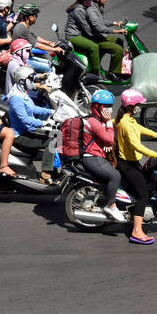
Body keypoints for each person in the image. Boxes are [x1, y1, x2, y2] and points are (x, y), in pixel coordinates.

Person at [59, 89, 125, 221]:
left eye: (110, 106)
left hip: (96, 156)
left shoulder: (96, 120)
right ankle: (111, 206)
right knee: (115, 176)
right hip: (92, 159)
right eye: (106, 106)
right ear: (97, 107)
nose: (109, 109)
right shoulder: (95, 122)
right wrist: (109, 124)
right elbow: (109, 139)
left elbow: (103, 139)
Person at [115, 89, 157, 245]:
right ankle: (136, 231)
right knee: (142, 194)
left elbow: (139, 128)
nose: (139, 107)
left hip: (132, 163)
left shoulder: (127, 119)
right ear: (132, 106)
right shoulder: (125, 123)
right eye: (138, 104)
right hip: (127, 165)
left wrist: (156, 135)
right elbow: (136, 146)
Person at [4, 67, 54, 177]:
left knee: (56, 135)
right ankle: (46, 173)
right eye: (31, 79)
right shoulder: (16, 98)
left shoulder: (23, 93)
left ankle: (54, 166)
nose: (33, 82)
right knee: (52, 141)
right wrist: (43, 123)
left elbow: (33, 108)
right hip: (20, 134)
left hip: (28, 129)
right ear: (22, 81)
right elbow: (25, 119)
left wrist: (51, 111)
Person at [11, 3, 61, 74]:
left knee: (50, 63)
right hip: (23, 60)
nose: (36, 18)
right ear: (31, 17)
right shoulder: (22, 28)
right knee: (51, 68)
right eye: (36, 16)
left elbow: (35, 37)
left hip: (26, 57)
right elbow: (36, 45)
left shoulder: (21, 25)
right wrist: (54, 49)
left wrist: (50, 43)